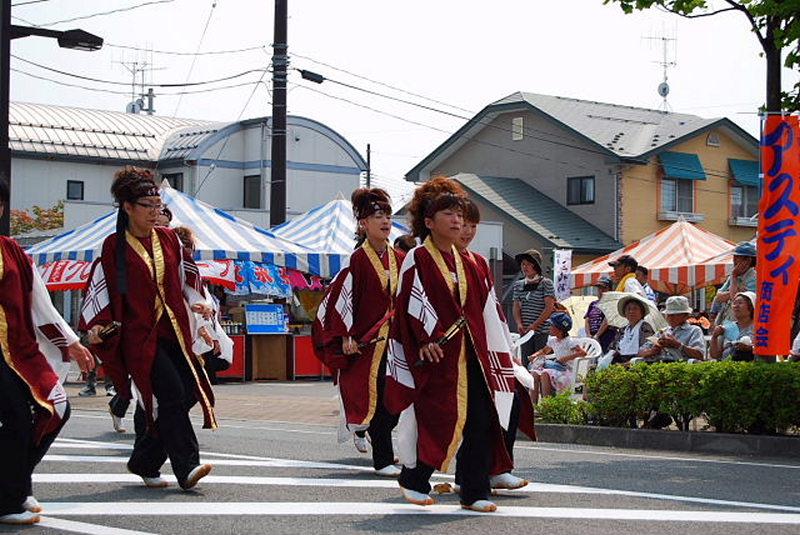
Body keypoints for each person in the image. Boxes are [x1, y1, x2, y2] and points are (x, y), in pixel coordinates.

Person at [384, 177, 516, 513]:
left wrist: (502, 346)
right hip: (439, 354)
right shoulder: (417, 257)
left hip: (474, 352)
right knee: (439, 416)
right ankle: (413, 478)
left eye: (461, 215)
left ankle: (474, 490)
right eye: (449, 214)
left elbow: (488, 308)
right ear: (429, 223)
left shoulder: (473, 261)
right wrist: (426, 337)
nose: (458, 221)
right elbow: (412, 300)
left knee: (480, 418)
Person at [80, 166, 216, 491]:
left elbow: (190, 279)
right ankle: (188, 467)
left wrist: (203, 306)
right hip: (139, 338)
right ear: (127, 207)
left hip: (174, 332)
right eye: (149, 206)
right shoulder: (114, 246)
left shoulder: (169, 239)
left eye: (159, 206)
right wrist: (97, 326)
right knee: (169, 394)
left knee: (188, 394)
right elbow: (102, 287)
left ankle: (145, 460)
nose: (156, 213)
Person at [0, 177, 96, 525]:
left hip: (19, 351)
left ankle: (14, 482)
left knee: (57, 407)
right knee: (14, 415)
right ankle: (8, 496)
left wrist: (72, 343)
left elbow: (41, 305)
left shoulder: (13, 252)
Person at [313, 188, 402, 477]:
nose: (385, 222)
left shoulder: (400, 257)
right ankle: (383, 458)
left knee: (398, 398)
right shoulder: (357, 261)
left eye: (388, 216)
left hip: (397, 342)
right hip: (368, 345)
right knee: (377, 398)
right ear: (363, 223)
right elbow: (340, 299)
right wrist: (344, 335)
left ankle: (382, 445)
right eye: (378, 217)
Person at [456, 198, 529, 491]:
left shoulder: (479, 262)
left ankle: (497, 466)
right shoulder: (433, 259)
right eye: (462, 223)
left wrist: (508, 351)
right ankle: (466, 475)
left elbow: (493, 309)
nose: (467, 230)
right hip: (455, 350)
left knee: (512, 397)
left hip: (486, 346)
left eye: (473, 225)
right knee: (478, 413)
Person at [527, 312, 586, 402]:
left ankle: (547, 405)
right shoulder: (553, 340)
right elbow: (544, 351)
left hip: (568, 371)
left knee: (544, 374)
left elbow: (582, 353)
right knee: (534, 373)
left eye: (552, 326)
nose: (549, 328)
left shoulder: (569, 342)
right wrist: (534, 355)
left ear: (560, 329)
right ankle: (532, 405)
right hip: (557, 368)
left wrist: (565, 358)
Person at [512, 249, 556, 362]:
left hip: (542, 330)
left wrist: (535, 325)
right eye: (523, 264)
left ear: (536, 266)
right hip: (525, 330)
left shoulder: (546, 283)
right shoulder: (518, 285)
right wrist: (519, 323)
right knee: (526, 361)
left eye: (529, 264)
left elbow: (549, 307)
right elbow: (516, 306)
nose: (525, 267)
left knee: (539, 363)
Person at [639, 296, 705, 362]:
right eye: (668, 314)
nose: (669, 317)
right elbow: (640, 352)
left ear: (685, 316)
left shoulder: (694, 330)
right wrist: (653, 351)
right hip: (660, 367)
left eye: (674, 315)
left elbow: (700, 355)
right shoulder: (662, 332)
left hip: (682, 368)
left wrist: (678, 345)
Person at [710, 241, 756, 326]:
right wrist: (735, 290)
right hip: (727, 320)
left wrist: (734, 279)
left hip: (744, 325)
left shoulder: (754, 278)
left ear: (748, 260)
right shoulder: (732, 275)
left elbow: (735, 298)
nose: (734, 260)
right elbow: (718, 296)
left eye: (737, 257)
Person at [608, 295, 655, 364]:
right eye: (628, 309)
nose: (631, 311)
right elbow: (613, 346)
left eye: (635, 308)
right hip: (620, 359)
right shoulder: (623, 330)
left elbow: (645, 347)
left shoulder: (645, 327)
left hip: (636, 360)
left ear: (641, 312)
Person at [710, 291, 756, 361]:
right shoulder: (727, 327)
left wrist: (749, 348)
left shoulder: (758, 329)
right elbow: (715, 355)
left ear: (751, 307)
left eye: (740, 303)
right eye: (734, 303)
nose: (736, 306)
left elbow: (766, 352)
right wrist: (714, 336)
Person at [584, 276, 616, 352]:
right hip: (592, 337)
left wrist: (597, 335)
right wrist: (588, 335)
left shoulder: (611, 303)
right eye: (599, 288)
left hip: (606, 336)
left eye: (604, 288)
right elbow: (587, 319)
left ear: (610, 290)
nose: (600, 291)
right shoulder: (593, 304)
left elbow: (607, 320)